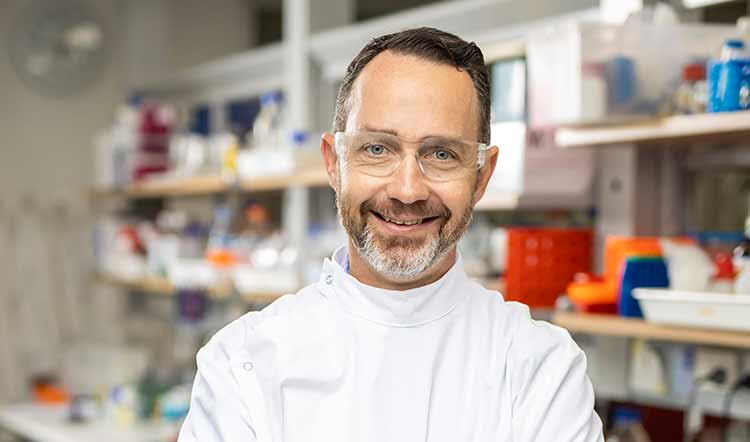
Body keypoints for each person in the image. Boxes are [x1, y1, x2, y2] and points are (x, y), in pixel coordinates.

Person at [178, 27, 604, 442]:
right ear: (334, 162)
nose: (407, 190)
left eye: (441, 154)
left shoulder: (540, 368)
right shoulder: (243, 365)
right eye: (377, 149)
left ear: (481, 176)